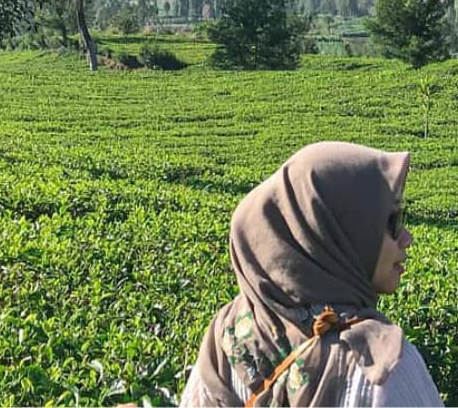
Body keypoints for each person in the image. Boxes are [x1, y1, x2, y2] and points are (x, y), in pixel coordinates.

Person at [180, 141, 443, 407]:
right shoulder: (379, 367)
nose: (406, 238)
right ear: (341, 231)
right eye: (392, 222)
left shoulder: (229, 334)